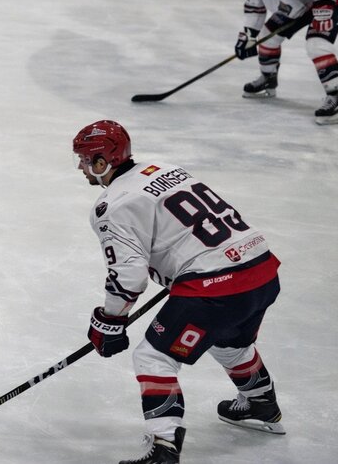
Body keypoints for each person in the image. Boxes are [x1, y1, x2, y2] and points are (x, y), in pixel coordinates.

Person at [73, 120, 284, 464]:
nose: (81, 168)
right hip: (260, 268)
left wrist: (110, 320)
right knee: (230, 342)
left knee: (153, 358)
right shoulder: (163, 168)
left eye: (85, 160)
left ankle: (164, 447)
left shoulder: (112, 205)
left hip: (216, 286)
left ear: (102, 162)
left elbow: (129, 275)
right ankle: (261, 401)